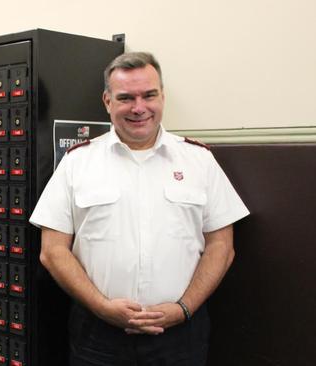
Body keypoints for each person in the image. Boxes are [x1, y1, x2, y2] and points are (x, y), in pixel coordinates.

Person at [29, 52, 249, 366]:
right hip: (98, 336)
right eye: (125, 97)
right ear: (107, 101)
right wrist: (102, 307)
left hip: (180, 336)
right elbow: (52, 251)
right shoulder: (78, 162)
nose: (139, 107)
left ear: (162, 96)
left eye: (149, 95)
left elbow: (221, 246)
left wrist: (184, 308)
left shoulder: (198, 160)